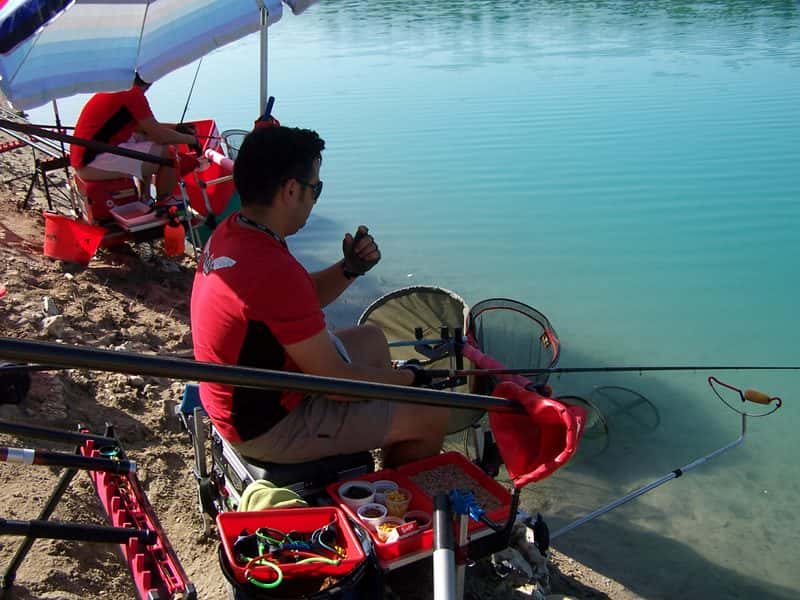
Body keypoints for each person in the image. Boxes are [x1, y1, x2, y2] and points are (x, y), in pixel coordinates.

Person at [190, 125, 449, 468]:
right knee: (432, 413)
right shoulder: (271, 269)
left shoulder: (235, 230)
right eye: (316, 188)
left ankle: (380, 435)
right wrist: (410, 379)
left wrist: (349, 269)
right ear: (291, 190)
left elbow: (293, 302)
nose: (315, 198)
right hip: (265, 428)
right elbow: (335, 384)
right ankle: (391, 490)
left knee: (371, 339)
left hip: (241, 397)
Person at [70, 72, 201, 202]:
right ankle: (164, 203)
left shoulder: (120, 87)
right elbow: (160, 136)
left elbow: (144, 127)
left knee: (144, 138)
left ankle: (145, 198)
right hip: (91, 163)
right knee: (169, 155)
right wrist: (193, 140)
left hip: (86, 159)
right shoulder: (132, 93)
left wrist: (177, 127)